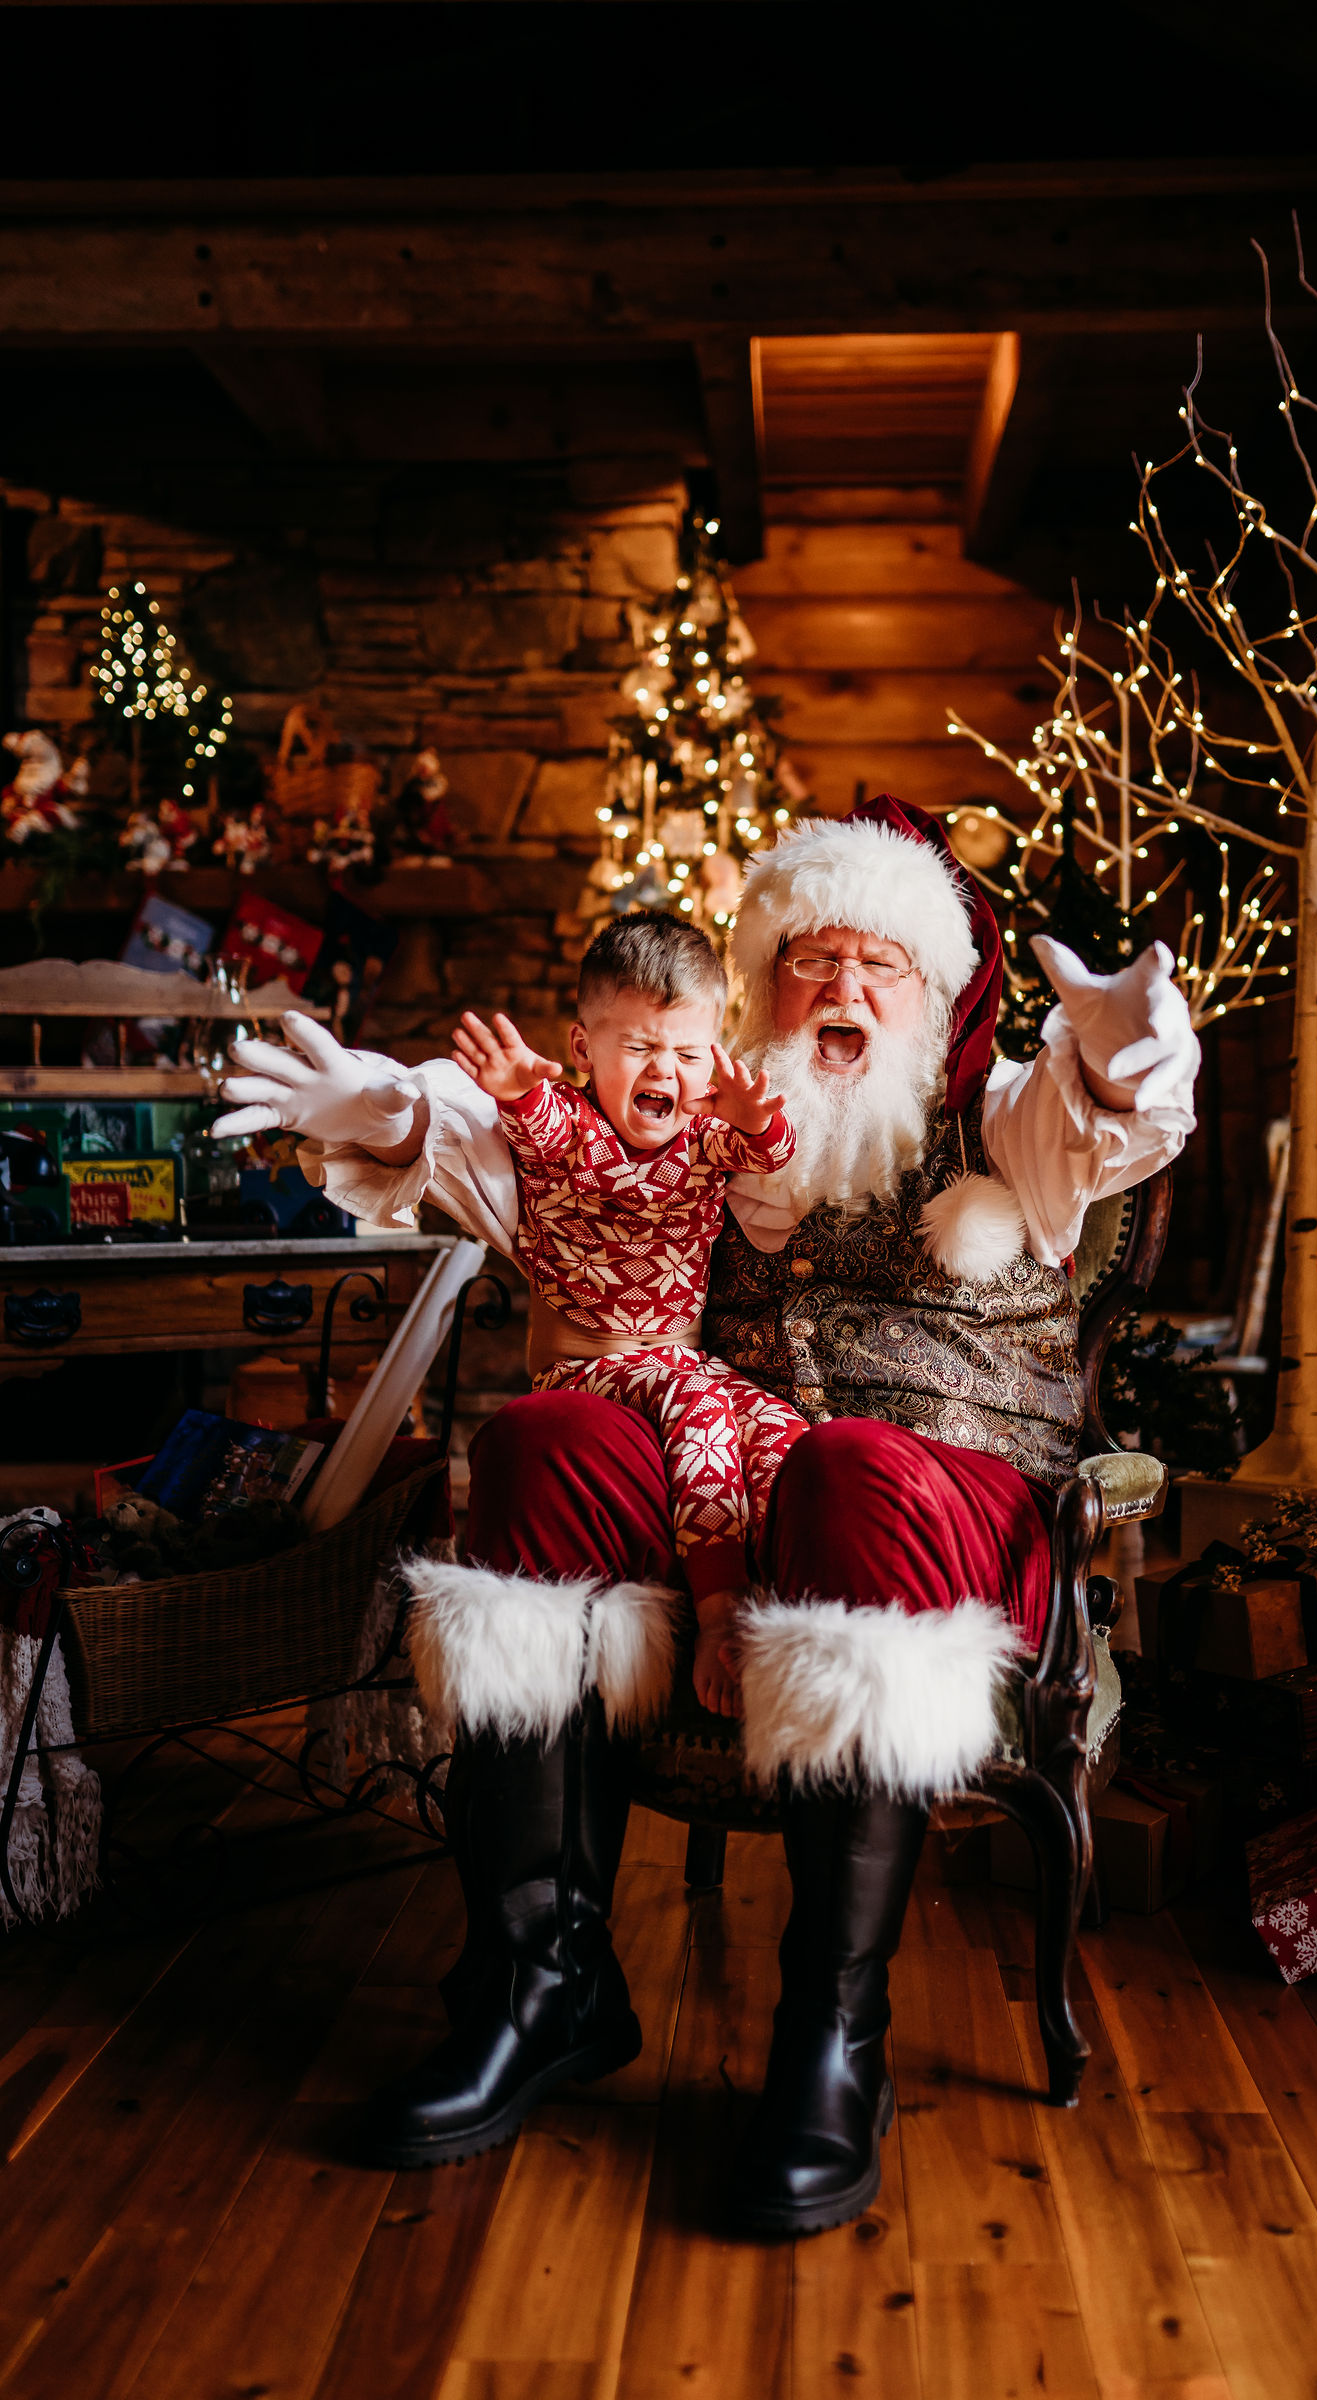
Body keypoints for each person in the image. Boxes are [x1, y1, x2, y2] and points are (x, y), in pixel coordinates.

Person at [216, 796, 1199, 2231]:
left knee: (846, 1467)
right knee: (551, 1436)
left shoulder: (1000, 1121)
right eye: (812, 958)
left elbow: (1111, 1117)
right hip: (727, 1487)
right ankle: (538, 1986)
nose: (843, 988)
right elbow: (512, 1148)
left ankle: (830, 2045)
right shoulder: (701, 1124)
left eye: (883, 964)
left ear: (930, 1001)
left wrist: (1116, 1044)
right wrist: (393, 1110)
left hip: (947, 1502)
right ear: (763, 984)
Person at [448, 912, 805, 1716]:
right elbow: (531, 1120)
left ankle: (800, 1613)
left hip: (677, 1357)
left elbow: (769, 1151)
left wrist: (756, 1120)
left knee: (777, 1426)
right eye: (640, 1048)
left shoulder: (708, 1137)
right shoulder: (569, 1129)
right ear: (584, 1050)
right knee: (700, 1406)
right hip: (589, 1362)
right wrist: (512, 1087)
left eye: (686, 1053)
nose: (665, 1072)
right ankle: (721, 1615)